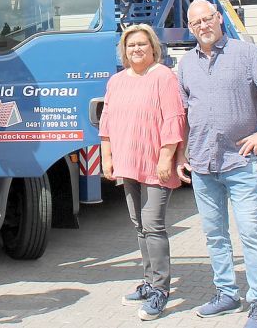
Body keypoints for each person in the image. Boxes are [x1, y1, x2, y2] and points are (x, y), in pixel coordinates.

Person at [176, 0, 257, 328]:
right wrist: (181, 153)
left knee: (251, 233)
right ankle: (227, 294)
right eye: (196, 22)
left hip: (239, 162)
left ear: (220, 19)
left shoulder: (246, 54)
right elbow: (185, 113)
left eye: (207, 19)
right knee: (214, 235)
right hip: (202, 164)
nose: (203, 26)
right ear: (190, 27)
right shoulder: (185, 64)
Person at [98, 24, 186, 322]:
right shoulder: (117, 81)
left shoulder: (163, 77)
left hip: (155, 165)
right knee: (139, 225)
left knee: (153, 225)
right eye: (131, 45)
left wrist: (166, 158)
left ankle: (161, 289)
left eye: (142, 44)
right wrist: (106, 158)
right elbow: (107, 123)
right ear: (124, 50)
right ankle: (148, 282)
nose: (136, 49)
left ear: (153, 49)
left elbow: (174, 119)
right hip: (128, 163)